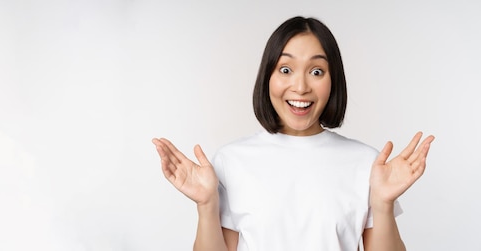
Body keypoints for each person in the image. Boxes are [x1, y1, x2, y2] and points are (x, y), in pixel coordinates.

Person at [152, 16, 435, 251]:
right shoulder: (231, 161)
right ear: (268, 77)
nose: (300, 87)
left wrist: (383, 206)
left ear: (333, 80)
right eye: (285, 69)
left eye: (316, 71)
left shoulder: (367, 164)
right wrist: (207, 205)